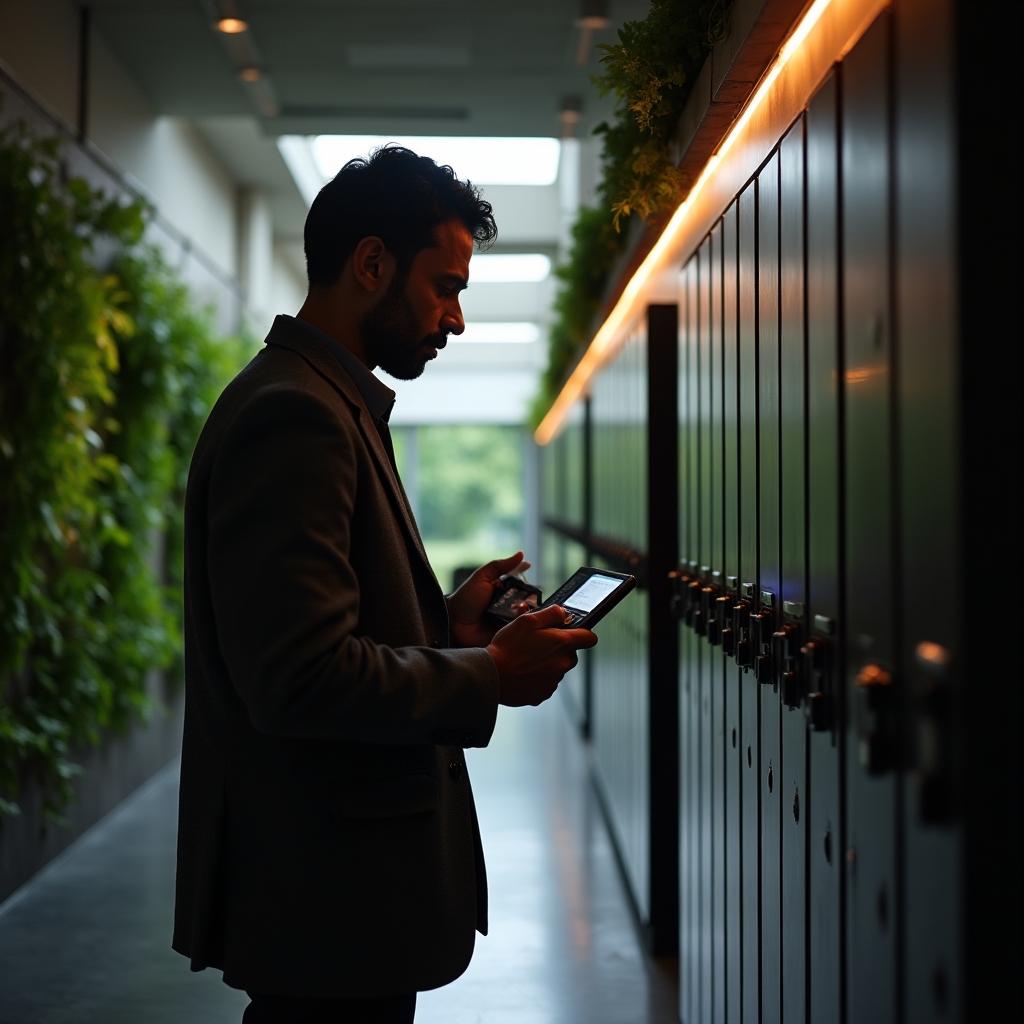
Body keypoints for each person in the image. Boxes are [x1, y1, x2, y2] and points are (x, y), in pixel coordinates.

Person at [172, 146, 598, 1024]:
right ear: (372, 265)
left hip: (335, 892)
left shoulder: (325, 400)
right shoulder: (296, 415)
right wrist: (488, 674)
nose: (456, 319)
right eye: (446, 286)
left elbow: (320, 631)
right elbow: (298, 678)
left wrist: (447, 625)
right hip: (328, 892)